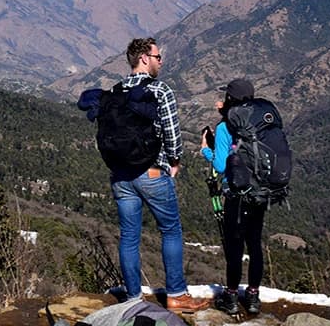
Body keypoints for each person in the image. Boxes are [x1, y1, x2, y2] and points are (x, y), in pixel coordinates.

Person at [110, 37, 209, 313]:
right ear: (144, 58)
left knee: (129, 236)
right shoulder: (159, 90)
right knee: (171, 230)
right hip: (152, 172)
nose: (161, 61)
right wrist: (174, 161)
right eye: (158, 57)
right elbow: (172, 133)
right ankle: (176, 294)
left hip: (120, 176)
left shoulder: (115, 91)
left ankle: (132, 299)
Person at [200, 78, 265, 316]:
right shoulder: (260, 122)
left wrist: (206, 149)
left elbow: (219, 164)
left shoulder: (225, 127)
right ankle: (254, 296)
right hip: (260, 192)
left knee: (234, 247)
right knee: (255, 244)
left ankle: (231, 296)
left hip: (236, 194)